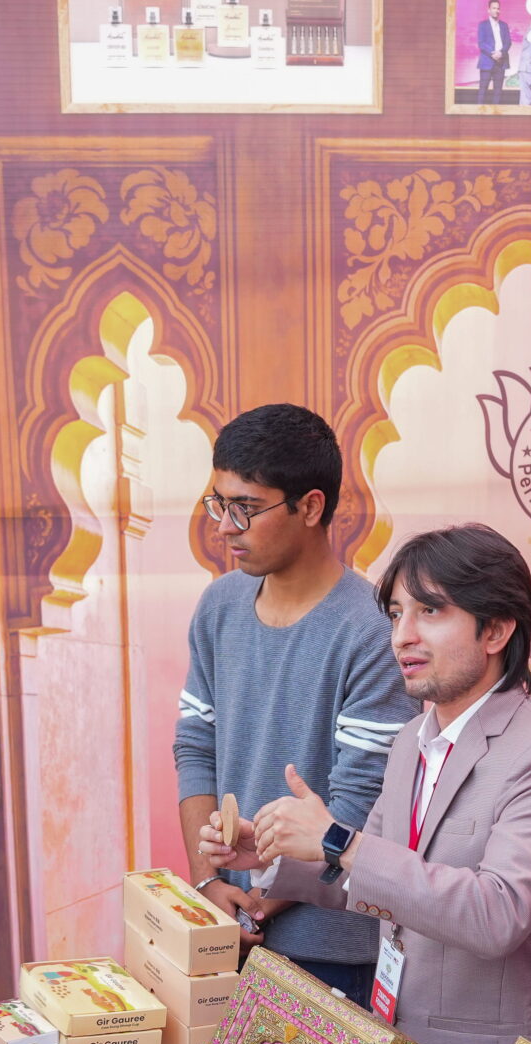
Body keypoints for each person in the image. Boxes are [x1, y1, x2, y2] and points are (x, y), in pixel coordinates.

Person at [204, 525, 531, 1044]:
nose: (402, 636)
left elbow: (497, 913)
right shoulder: (415, 737)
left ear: (497, 630)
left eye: (430, 611)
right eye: (395, 613)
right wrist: (269, 854)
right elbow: (367, 879)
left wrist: (339, 841)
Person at [174, 403, 412, 1006]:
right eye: (217, 503)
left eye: (246, 508)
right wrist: (208, 884)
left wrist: (257, 904)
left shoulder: (370, 631)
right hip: (224, 927)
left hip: (329, 946)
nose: (224, 526)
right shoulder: (220, 607)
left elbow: (361, 803)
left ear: (310, 506)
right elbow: (195, 744)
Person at [476, 0, 514, 104]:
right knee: (482, 91)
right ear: (488, 10)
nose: (496, 10)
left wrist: (501, 53)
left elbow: (508, 42)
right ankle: (478, 114)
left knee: (498, 92)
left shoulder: (504, 25)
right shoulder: (482, 25)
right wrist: (493, 53)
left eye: (498, 8)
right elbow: (481, 43)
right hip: (487, 62)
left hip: (501, 63)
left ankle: (495, 116)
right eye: (494, 8)